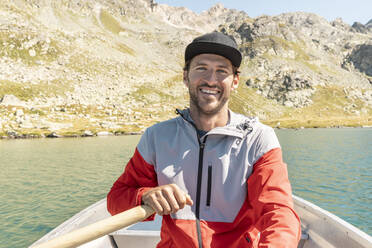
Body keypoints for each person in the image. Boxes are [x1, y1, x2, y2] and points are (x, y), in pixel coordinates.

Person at [107, 32, 301, 248]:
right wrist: (145, 195)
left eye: (221, 71)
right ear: (185, 76)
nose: (211, 79)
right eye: (201, 68)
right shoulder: (156, 137)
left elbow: (279, 211)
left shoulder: (258, 138)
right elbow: (116, 200)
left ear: (234, 81)